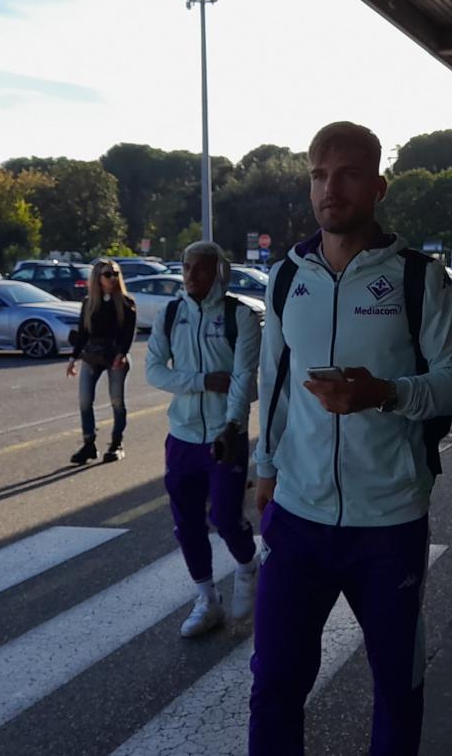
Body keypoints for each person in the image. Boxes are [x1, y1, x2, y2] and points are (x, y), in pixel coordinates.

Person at [250, 121, 452, 755]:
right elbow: (273, 381)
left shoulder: (418, 277)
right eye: (319, 175)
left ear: (378, 186)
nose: (331, 188)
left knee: (398, 689)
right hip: (297, 516)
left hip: (388, 521)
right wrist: (265, 468)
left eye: (348, 174)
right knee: (274, 685)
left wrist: (386, 393)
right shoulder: (286, 276)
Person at [145, 240, 263, 638]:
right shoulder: (170, 314)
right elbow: (154, 370)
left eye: (200, 268)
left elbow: (243, 377)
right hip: (181, 436)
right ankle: (207, 599)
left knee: (226, 517)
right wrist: (201, 381)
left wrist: (232, 425)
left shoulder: (239, 316)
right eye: (186, 267)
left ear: (219, 272)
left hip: (224, 434)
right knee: (187, 523)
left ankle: (247, 566)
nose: (191, 275)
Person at [67, 257, 136, 463]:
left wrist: (121, 354)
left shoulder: (126, 303)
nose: (112, 278)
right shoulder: (89, 303)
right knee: (85, 400)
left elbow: (128, 334)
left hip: (116, 357)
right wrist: (73, 358)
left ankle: (116, 444)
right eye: (108, 274)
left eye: (115, 274)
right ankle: (89, 444)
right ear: (98, 278)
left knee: (117, 401)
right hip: (92, 356)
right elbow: (83, 333)